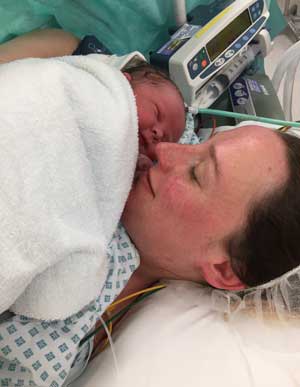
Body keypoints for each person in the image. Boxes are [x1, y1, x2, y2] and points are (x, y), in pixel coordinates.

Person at [1, 29, 300, 386]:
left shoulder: (78, 332)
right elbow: (68, 50)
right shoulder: (175, 130)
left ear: (223, 270)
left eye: (197, 174)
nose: (166, 150)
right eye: (204, 147)